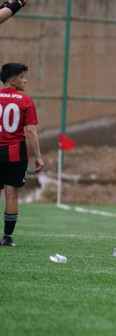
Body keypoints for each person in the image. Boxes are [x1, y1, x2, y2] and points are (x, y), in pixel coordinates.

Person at [0, 63, 44, 247]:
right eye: (22, 77)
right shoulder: (25, 100)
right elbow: (31, 130)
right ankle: (7, 238)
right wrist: (38, 156)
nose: (25, 80)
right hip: (15, 153)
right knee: (11, 196)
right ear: (13, 81)